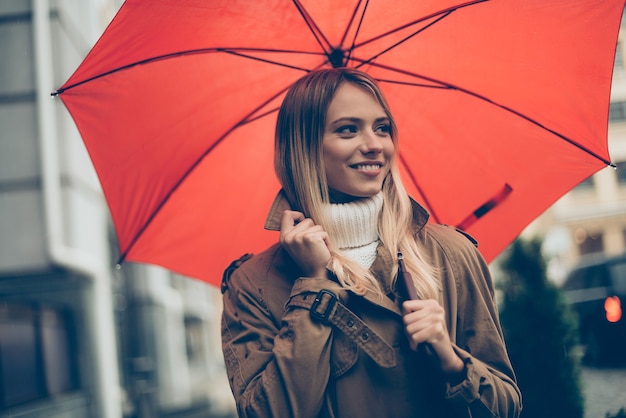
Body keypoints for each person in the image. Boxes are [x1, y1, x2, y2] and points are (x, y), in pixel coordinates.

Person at [220, 67, 522, 417]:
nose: (374, 145)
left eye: (382, 128)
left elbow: (507, 406)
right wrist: (313, 286)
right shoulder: (253, 285)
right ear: (303, 147)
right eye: (348, 130)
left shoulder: (451, 254)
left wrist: (452, 360)